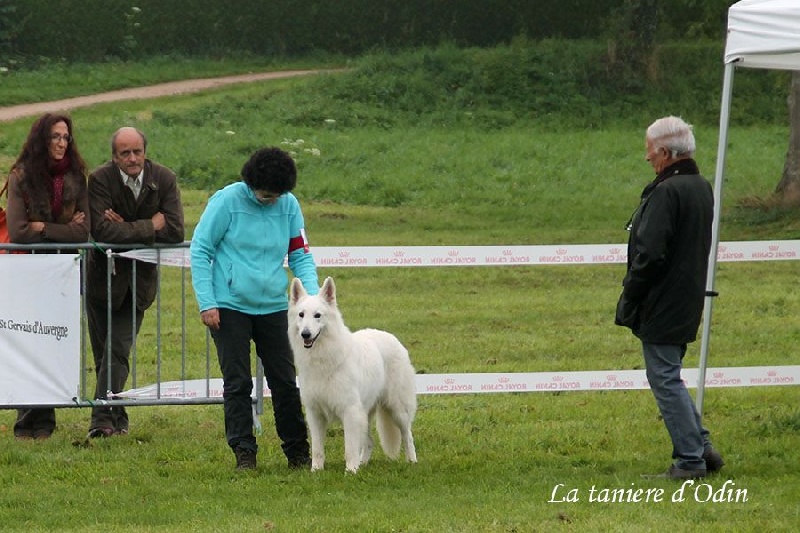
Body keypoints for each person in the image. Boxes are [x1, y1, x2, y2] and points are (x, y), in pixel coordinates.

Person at [190, 146, 318, 471]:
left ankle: (298, 451)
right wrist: (208, 302)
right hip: (229, 306)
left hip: (274, 306)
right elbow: (201, 250)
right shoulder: (227, 201)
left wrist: (313, 300)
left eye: (277, 195)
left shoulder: (289, 205)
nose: (271, 200)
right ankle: (244, 452)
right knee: (237, 382)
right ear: (251, 184)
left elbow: (300, 255)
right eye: (265, 195)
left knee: (285, 381)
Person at [615, 116, 725, 480]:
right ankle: (703, 445)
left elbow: (651, 254)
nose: (647, 157)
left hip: (664, 299)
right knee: (670, 375)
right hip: (686, 294)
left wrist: (631, 291)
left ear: (664, 151)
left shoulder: (667, 191)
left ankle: (690, 459)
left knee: (664, 378)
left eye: (649, 149)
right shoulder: (700, 185)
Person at [85, 127, 184, 438]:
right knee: (104, 355)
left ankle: (101, 419)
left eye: (137, 151)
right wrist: (148, 226)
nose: (132, 158)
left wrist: (125, 227)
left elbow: (175, 231)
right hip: (101, 281)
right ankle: (118, 416)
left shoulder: (164, 179)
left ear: (145, 151)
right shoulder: (99, 179)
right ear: (114, 157)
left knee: (118, 349)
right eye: (124, 153)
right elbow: (101, 231)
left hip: (138, 285)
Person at [5, 113, 90, 439]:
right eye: (55, 136)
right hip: (27, 272)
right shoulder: (21, 176)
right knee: (29, 341)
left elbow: (83, 231)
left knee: (53, 341)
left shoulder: (75, 177)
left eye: (66, 137)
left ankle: (47, 420)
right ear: (42, 139)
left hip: (62, 274)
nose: (61, 143)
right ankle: (27, 420)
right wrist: (62, 229)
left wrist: (44, 227)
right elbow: (19, 232)